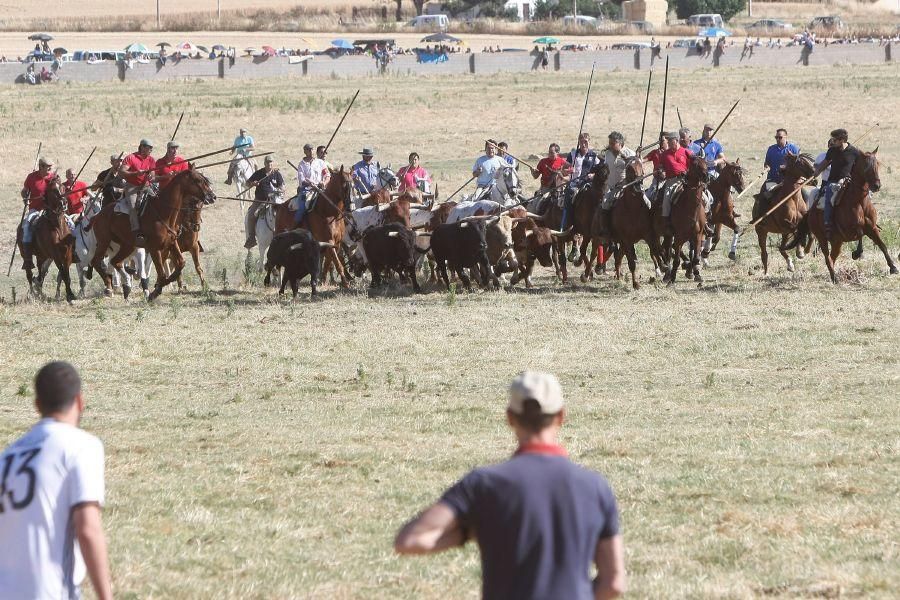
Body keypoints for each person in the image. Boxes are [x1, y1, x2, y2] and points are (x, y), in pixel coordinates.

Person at [394, 371, 626, 600]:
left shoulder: (484, 484)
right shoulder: (594, 487)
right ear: (561, 416)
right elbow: (614, 582)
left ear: (510, 417)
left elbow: (410, 540)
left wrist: (466, 533)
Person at [0, 361, 112, 600]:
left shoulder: (7, 457)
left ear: (37, 405)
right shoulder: (80, 446)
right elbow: (88, 529)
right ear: (80, 401)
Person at [810, 128, 860, 236]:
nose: (832, 141)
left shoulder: (854, 152)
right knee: (829, 193)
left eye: (835, 139)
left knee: (864, 196)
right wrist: (816, 172)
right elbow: (824, 163)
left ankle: (866, 220)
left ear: (842, 140)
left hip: (848, 182)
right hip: (832, 181)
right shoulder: (832, 151)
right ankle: (828, 223)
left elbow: (858, 168)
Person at [595, 131, 637, 236]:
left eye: (613, 143)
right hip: (610, 186)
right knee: (604, 203)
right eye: (610, 143)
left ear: (620, 143)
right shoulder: (608, 154)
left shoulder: (630, 153)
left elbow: (635, 171)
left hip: (624, 186)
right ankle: (605, 229)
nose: (611, 146)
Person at [20, 156, 56, 269]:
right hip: (35, 209)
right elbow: (24, 190)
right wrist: (25, 196)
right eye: (48, 167)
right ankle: (28, 259)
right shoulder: (31, 177)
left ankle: (72, 251)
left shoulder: (53, 178)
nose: (50, 169)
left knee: (68, 224)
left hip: (50, 210)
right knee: (26, 227)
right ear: (41, 167)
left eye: (51, 167)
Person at [119, 138, 156, 247]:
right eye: (149, 147)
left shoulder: (151, 160)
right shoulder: (131, 158)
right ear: (142, 147)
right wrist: (135, 173)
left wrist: (151, 175)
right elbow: (122, 172)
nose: (150, 150)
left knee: (157, 201)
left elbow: (153, 173)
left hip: (146, 186)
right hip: (132, 186)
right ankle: (136, 230)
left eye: (151, 148)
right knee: (133, 206)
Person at [244, 155, 285, 249]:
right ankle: (251, 238)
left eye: (271, 162)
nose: (269, 164)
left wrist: (280, 190)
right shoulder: (259, 173)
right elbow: (247, 183)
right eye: (267, 162)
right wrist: (252, 183)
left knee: (285, 213)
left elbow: (282, 186)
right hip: (260, 199)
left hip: (275, 200)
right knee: (251, 214)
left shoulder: (276, 174)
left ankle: (284, 235)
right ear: (264, 163)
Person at [657, 132, 692, 224]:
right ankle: (666, 222)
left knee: (705, 197)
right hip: (671, 181)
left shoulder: (686, 152)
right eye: (667, 140)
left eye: (670, 140)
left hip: (686, 180)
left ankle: (706, 219)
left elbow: (693, 165)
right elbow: (660, 166)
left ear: (676, 141)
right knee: (666, 201)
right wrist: (661, 171)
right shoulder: (664, 154)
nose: (667, 142)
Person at [293, 143, 329, 227]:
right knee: (302, 207)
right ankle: (295, 226)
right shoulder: (301, 164)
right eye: (308, 149)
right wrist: (310, 183)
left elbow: (327, 175)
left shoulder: (320, 162)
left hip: (321, 189)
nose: (311, 151)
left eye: (312, 149)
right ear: (305, 151)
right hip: (307, 190)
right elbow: (302, 179)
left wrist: (323, 182)